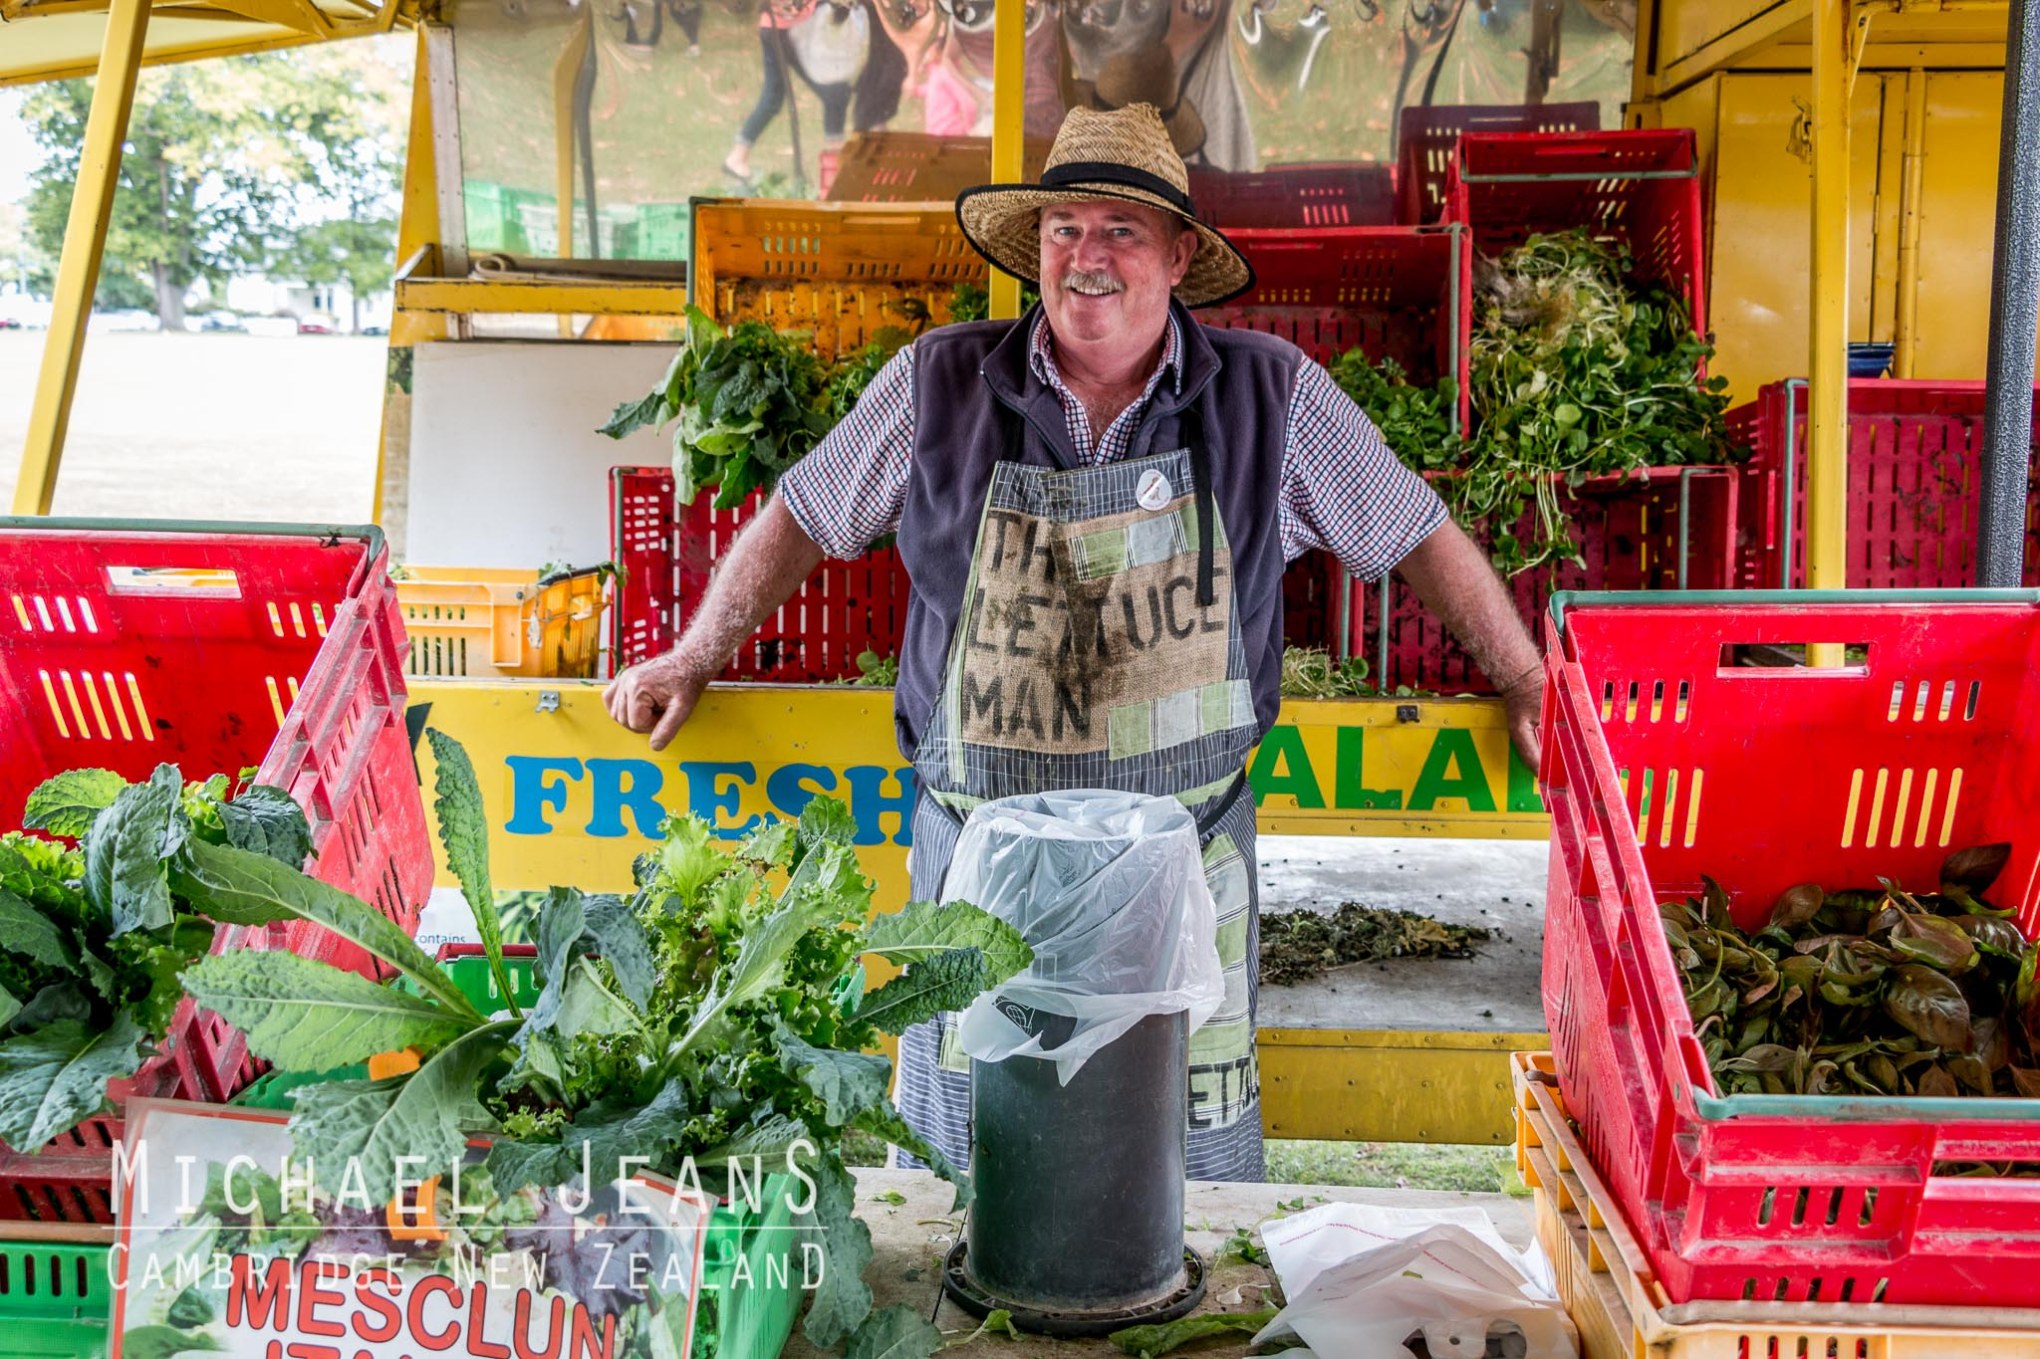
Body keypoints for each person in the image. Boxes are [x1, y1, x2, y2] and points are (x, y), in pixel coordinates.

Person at [607, 103, 1545, 1182]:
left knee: (1174, 1185)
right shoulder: (937, 383)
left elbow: (1416, 528)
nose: (1086, 258)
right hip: (978, 867)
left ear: (1180, 257)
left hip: (1180, 874)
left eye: (1121, 231)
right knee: (967, 1168)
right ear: (1035, 250)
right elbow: (804, 517)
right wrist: (693, 652)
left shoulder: (1274, 397)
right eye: (1064, 230)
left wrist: (1520, 674)